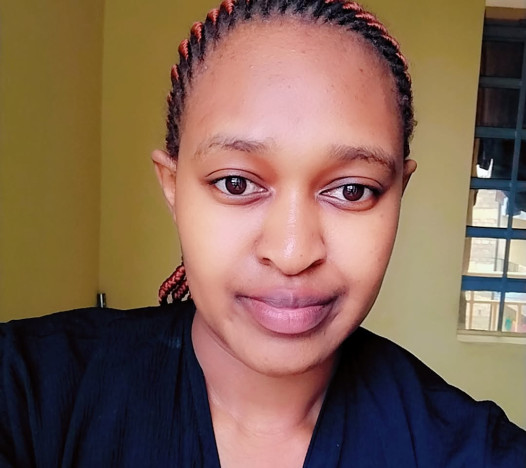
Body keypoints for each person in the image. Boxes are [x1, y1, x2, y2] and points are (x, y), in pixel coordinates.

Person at [0, 0, 525, 466]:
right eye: (236, 183)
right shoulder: (29, 392)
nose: (293, 253)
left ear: (398, 192)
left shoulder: (469, 447)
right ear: (173, 188)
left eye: (352, 190)